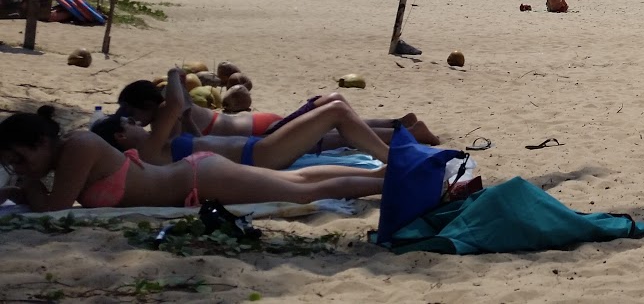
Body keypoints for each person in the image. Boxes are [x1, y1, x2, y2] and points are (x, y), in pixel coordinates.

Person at [0, 106, 384, 212]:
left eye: (19, 158)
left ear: (42, 142)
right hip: (198, 176)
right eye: (12, 164)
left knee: (301, 192)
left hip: (199, 179)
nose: (19, 167)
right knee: (297, 183)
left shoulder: (78, 147)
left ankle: (387, 181)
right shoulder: (73, 151)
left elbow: (56, 208)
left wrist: (28, 187)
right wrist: (22, 190)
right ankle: (384, 174)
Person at [96, 68, 392, 169]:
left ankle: (394, 144)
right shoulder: (152, 142)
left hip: (258, 146)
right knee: (334, 113)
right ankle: (393, 157)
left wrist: (186, 118)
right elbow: (173, 101)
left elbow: (193, 141)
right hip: (260, 152)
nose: (133, 121)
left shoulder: (161, 134)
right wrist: (174, 74)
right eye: (127, 121)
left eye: (131, 115)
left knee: (333, 118)